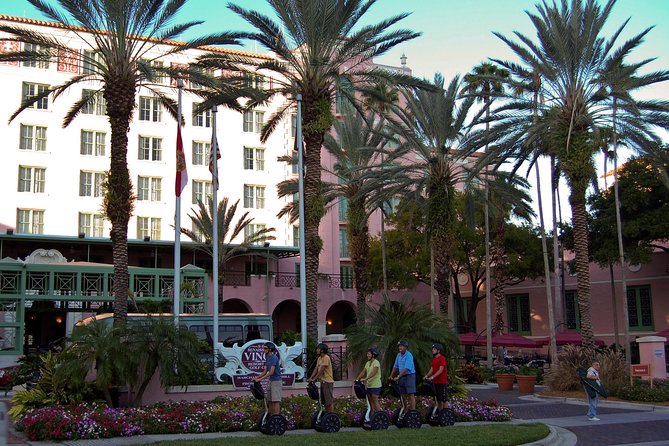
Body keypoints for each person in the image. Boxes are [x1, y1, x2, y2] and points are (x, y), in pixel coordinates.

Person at [254, 342, 282, 415]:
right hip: (271, 381)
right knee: (269, 399)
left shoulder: (274, 358)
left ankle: (276, 416)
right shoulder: (267, 357)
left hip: (276, 381)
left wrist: (260, 379)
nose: (264, 350)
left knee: (276, 400)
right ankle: (271, 415)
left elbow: (271, 372)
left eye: (265, 348)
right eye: (263, 348)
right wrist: (257, 377)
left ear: (270, 349)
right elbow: (265, 371)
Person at [390, 339, 416, 410]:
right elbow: (395, 366)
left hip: (409, 376)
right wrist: (391, 376)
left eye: (401, 346)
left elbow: (406, 368)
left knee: (411, 394)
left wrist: (398, 376)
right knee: (402, 394)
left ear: (405, 347)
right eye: (399, 346)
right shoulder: (398, 355)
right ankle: (405, 410)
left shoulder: (409, 355)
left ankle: (413, 411)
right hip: (402, 376)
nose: (400, 348)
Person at [308, 343, 335, 413]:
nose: (317, 350)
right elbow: (316, 369)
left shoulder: (326, 357)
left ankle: (331, 415)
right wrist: (310, 378)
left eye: (318, 349)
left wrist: (314, 379)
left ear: (322, 350)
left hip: (327, 382)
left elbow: (321, 370)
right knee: (325, 401)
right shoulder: (319, 358)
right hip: (322, 382)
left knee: (329, 401)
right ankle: (327, 415)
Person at [355, 347, 382, 413]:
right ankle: (372, 417)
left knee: (375, 401)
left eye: (369, 354)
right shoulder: (367, 363)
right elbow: (363, 372)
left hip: (376, 385)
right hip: (369, 385)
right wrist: (357, 379)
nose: (367, 355)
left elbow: (373, 372)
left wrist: (365, 379)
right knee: (371, 403)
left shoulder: (376, 362)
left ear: (373, 355)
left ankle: (380, 415)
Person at [423, 343, 448, 411]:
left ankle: (446, 413)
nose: (432, 350)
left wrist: (432, 377)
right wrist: (427, 376)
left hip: (442, 382)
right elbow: (432, 369)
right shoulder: (434, 359)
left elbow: (441, 370)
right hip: (435, 382)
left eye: (434, 349)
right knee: (438, 399)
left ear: (438, 351)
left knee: (444, 399)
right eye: (432, 349)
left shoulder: (442, 358)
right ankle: (440, 413)